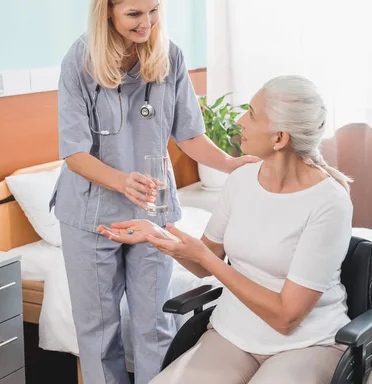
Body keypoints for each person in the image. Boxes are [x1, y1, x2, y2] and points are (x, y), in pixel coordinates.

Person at [50, 0, 258, 384]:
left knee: (155, 325)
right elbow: (74, 153)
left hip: (152, 211)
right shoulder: (80, 62)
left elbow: (189, 134)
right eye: (134, 14)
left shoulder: (169, 56)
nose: (147, 23)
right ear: (107, 9)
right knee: (98, 332)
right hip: (92, 217)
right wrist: (122, 181)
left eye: (154, 10)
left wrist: (231, 163)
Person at [98, 75, 353, 384]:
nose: (241, 119)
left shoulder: (329, 202)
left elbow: (286, 318)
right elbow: (205, 259)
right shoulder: (242, 179)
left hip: (306, 344)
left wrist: (207, 259)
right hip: (233, 334)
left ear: (279, 138)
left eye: (253, 114)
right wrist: (157, 235)